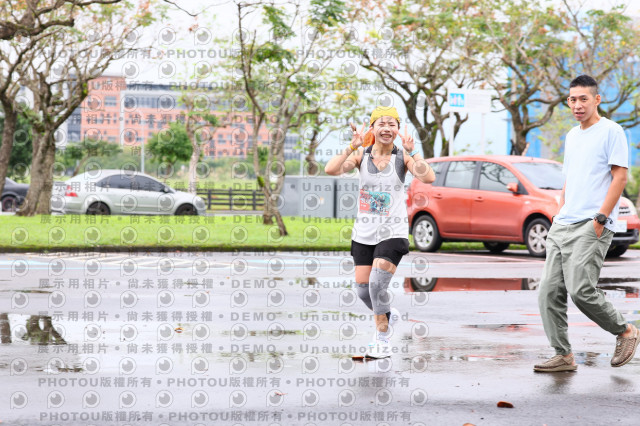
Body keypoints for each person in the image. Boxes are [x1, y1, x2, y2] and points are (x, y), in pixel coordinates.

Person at [535, 75, 639, 372]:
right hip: (563, 223)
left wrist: (602, 218)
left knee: (581, 289)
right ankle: (563, 355)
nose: (577, 105)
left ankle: (625, 331)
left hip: (592, 222)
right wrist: (559, 212)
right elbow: (570, 178)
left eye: (583, 99)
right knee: (548, 292)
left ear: (596, 99)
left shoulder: (611, 131)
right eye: (572, 99)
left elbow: (620, 176)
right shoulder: (572, 135)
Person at [325, 106, 436, 358]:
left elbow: (428, 177)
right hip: (363, 233)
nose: (386, 128)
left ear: (397, 129)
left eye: (391, 124)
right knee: (363, 291)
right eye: (381, 124)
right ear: (372, 128)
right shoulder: (361, 155)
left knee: (377, 285)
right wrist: (351, 146)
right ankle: (388, 314)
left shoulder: (402, 157)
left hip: (393, 232)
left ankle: (382, 340)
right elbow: (330, 169)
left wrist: (414, 152)